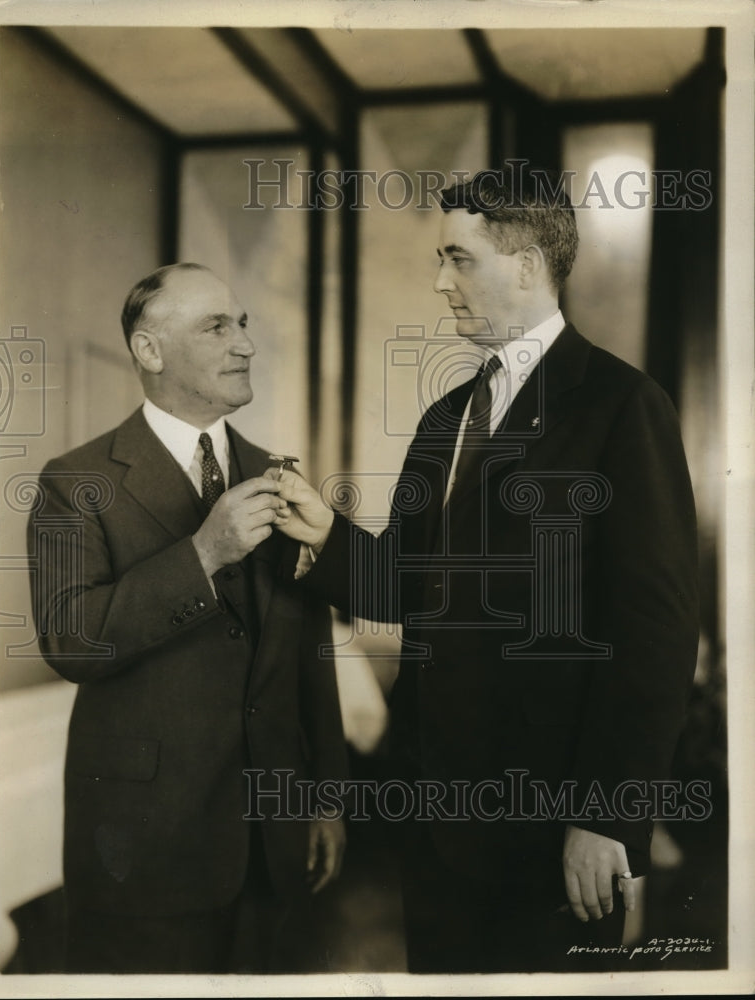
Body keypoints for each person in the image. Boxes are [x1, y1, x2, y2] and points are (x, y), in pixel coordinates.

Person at [273, 167, 700, 972]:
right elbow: (406, 585)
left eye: (459, 259)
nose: (441, 282)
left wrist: (607, 817)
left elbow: (658, 634)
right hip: (438, 826)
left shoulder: (621, 405)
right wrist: (326, 536)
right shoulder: (446, 418)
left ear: (528, 264)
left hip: (556, 831)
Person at [27, 263, 348, 974]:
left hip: (274, 839)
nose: (245, 344)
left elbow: (309, 652)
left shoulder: (278, 475)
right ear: (150, 350)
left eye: (243, 324)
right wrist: (202, 555)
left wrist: (326, 797)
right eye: (216, 327)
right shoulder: (74, 481)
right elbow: (69, 641)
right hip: (146, 850)